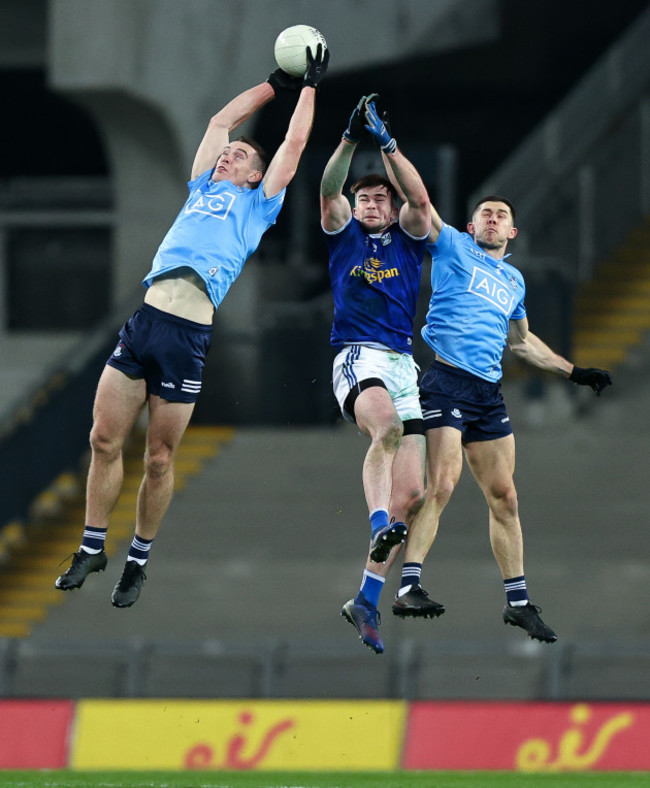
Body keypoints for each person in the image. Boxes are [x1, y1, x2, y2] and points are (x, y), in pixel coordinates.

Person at [55, 46, 329, 608]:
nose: (227, 155)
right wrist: (273, 84)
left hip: (188, 339)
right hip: (145, 323)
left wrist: (310, 87)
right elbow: (219, 121)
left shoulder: (259, 206)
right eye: (226, 154)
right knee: (103, 439)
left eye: (238, 156)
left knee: (158, 458)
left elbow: (293, 145)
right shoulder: (202, 186)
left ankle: (138, 560)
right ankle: (91, 545)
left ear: (255, 174)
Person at [391, 194, 613, 642]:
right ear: (472, 227)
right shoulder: (453, 246)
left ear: (512, 232)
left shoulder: (513, 279)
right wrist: (390, 147)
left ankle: (518, 604)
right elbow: (419, 199)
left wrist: (575, 372)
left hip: (487, 394)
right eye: (485, 214)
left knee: (506, 498)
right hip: (447, 381)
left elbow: (523, 342)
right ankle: (408, 586)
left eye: (501, 216)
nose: (492, 220)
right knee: (444, 483)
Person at [320, 95, 435, 654]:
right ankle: (375, 524)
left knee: (414, 492)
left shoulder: (410, 237)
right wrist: (347, 140)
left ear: (389, 209)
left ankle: (365, 596)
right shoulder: (344, 233)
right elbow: (327, 191)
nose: (368, 203)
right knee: (385, 430)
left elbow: (420, 197)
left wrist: (387, 144)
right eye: (362, 197)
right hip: (357, 353)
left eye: (377, 198)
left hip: (403, 362)